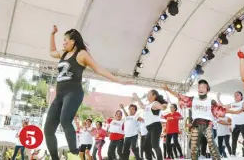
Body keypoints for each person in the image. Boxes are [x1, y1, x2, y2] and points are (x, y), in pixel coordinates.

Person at [45, 25, 133, 160]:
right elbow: (51, 52)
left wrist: (118, 80)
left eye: (65, 40)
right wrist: (52, 35)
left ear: (73, 41)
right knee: (48, 129)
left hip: (73, 93)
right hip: (60, 95)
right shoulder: (63, 53)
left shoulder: (81, 54)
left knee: (65, 120)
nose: (63, 43)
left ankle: (74, 149)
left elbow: (98, 69)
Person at [163, 80, 242, 160]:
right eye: (199, 87)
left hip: (208, 125)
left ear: (207, 89)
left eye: (203, 87)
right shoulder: (193, 100)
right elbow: (180, 96)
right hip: (196, 125)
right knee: (193, 148)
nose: (200, 89)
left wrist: (235, 112)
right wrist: (169, 90)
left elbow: (221, 110)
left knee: (211, 143)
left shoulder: (211, 101)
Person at [217, 91, 244, 157]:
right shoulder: (232, 104)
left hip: (243, 123)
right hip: (235, 124)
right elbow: (223, 106)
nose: (236, 96)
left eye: (237, 95)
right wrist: (218, 99)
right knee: (234, 139)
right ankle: (233, 154)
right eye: (235, 95)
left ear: (241, 97)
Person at [133, 90, 168, 160]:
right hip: (150, 129)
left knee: (155, 146)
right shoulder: (148, 105)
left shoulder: (155, 103)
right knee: (146, 147)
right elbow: (142, 105)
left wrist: (164, 106)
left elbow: (162, 107)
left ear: (154, 95)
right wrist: (136, 97)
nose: (147, 94)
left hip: (155, 126)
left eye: (149, 93)